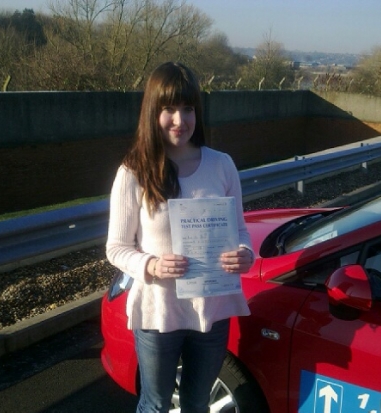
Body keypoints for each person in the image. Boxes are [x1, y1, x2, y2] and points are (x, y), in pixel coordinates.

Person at [106, 61, 254, 413]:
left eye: (188, 109)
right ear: (152, 112)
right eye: (169, 109)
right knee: (156, 404)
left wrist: (245, 253)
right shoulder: (133, 172)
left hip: (212, 312)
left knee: (196, 404)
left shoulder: (222, 165)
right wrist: (152, 264)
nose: (180, 120)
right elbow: (116, 247)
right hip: (159, 313)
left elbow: (241, 230)